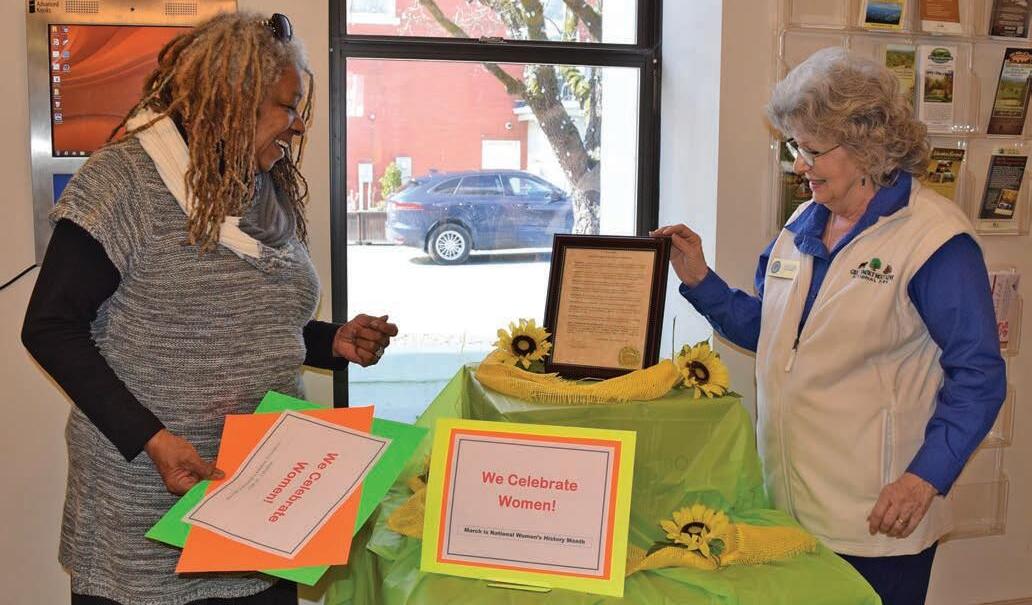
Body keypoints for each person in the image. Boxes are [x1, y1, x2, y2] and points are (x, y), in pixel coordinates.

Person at [21, 12, 397, 605]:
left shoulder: (262, 188)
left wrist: (331, 341)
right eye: (286, 107)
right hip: (146, 505)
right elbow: (51, 328)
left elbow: (247, 319)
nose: (299, 125)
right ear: (232, 101)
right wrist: (153, 439)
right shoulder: (124, 182)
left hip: (264, 498)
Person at [653, 47, 1005, 605]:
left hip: (877, 518)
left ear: (868, 147)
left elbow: (979, 375)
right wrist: (699, 280)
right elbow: (775, 334)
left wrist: (924, 478)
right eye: (795, 147)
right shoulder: (801, 225)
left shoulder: (934, 241)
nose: (800, 165)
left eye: (813, 150)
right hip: (789, 509)